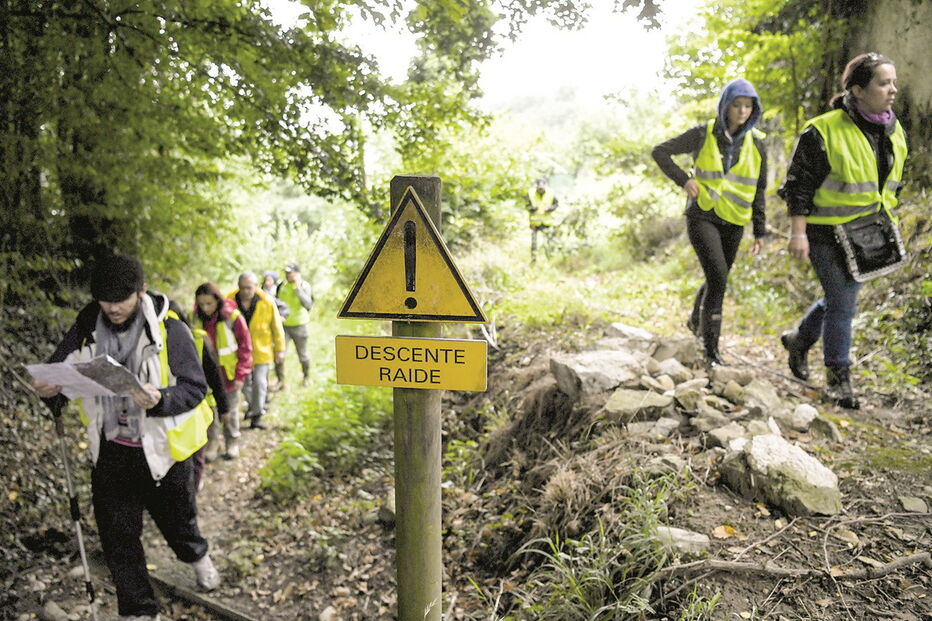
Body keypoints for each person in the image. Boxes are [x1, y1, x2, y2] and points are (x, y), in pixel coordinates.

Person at [31, 254, 220, 621]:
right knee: (118, 538)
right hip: (112, 450)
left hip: (165, 454)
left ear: (142, 291)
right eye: (105, 299)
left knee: (179, 524)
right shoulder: (86, 325)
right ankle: (138, 611)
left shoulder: (170, 329)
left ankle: (197, 558)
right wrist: (50, 389)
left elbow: (195, 388)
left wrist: (159, 398)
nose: (113, 307)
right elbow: (59, 372)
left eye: (121, 299)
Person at [779, 53, 907, 409]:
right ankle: (839, 380)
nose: (893, 90)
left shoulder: (893, 129)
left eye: (893, 82)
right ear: (857, 90)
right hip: (824, 232)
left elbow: (892, 184)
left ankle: (798, 340)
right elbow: (798, 186)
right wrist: (797, 232)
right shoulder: (823, 130)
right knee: (843, 304)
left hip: (868, 234)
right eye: (884, 83)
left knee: (840, 299)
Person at [652, 78, 767, 365]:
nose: (742, 111)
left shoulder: (758, 144)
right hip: (702, 214)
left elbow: (759, 189)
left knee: (718, 276)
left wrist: (760, 231)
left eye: (747, 106)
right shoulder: (703, 133)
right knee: (718, 278)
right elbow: (660, 152)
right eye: (736, 105)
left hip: (735, 219)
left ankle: (695, 321)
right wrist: (684, 179)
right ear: (725, 106)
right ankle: (710, 348)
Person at [172, 300, 230, 490]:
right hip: (172, 410)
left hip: (199, 408)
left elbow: (214, 375)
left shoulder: (197, 339)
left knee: (197, 453)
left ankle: (194, 489)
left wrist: (224, 407)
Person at [193, 282, 253, 459]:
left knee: (230, 411)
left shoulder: (232, 317)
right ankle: (212, 443)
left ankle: (231, 441)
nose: (205, 308)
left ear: (217, 301)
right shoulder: (194, 318)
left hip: (229, 374)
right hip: (204, 376)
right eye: (201, 304)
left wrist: (241, 374)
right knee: (210, 412)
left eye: (209, 303)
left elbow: (245, 347)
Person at [229, 272, 285, 429]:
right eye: (243, 288)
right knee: (245, 383)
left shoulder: (266, 301)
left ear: (255, 287)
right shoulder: (229, 300)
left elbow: (276, 326)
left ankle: (257, 415)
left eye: (249, 288)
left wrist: (279, 349)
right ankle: (253, 407)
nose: (246, 291)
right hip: (238, 351)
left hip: (261, 349)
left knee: (260, 383)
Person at [278, 263, 315, 387]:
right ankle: (280, 381)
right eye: (287, 272)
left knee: (303, 355)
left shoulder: (305, 286)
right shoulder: (281, 285)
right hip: (283, 326)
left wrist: (298, 288)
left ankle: (306, 377)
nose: (288, 275)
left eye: (291, 272)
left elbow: (308, 305)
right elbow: (275, 302)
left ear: (298, 273)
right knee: (279, 354)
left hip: (300, 325)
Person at [261, 269, 289, 391]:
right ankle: (264, 382)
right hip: (263, 327)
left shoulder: (278, 292)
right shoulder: (260, 292)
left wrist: (282, 316)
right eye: (266, 280)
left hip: (276, 326)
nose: (267, 282)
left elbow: (284, 306)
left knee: (279, 354)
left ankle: (281, 380)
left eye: (269, 280)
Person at [525, 178, 559, 263]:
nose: (541, 190)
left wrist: (550, 209)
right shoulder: (530, 193)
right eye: (539, 189)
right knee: (534, 243)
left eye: (542, 189)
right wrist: (532, 209)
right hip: (534, 223)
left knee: (549, 242)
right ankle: (533, 259)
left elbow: (556, 204)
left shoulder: (551, 193)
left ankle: (550, 259)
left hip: (547, 222)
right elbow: (526, 205)